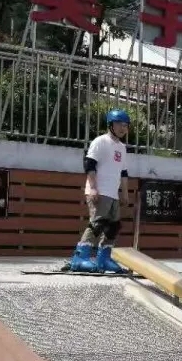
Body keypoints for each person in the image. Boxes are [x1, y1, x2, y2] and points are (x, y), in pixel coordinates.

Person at [69, 108, 130, 273]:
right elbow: (89, 164)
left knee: (113, 227)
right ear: (110, 125)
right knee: (97, 224)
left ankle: (104, 258)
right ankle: (80, 258)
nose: (123, 128)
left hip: (113, 193)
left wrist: (124, 193)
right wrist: (94, 188)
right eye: (119, 124)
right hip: (99, 191)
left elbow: (123, 172)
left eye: (126, 125)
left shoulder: (122, 147)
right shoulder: (100, 141)